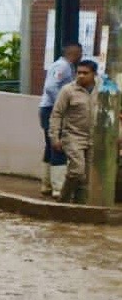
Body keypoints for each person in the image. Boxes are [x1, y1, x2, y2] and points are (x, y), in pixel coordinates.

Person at [49, 58, 98, 204]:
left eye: (85, 73)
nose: (81, 76)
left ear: (94, 74)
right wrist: (54, 137)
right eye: (79, 72)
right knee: (77, 169)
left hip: (94, 137)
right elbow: (56, 113)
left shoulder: (103, 89)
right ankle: (63, 200)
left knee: (86, 176)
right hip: (73, 136)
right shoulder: (68, 90)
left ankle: (78, 206)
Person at [39, 41, 82, 197]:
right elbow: (51, 87)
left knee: (50, 145)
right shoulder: (63, 66)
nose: (81, 56)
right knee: (59, 145)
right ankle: (58, 188)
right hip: (51, 109)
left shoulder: (62, 65)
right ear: (74, 53)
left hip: (48, 108)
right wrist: (62, 104)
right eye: (80, 53)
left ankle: (47, 184)